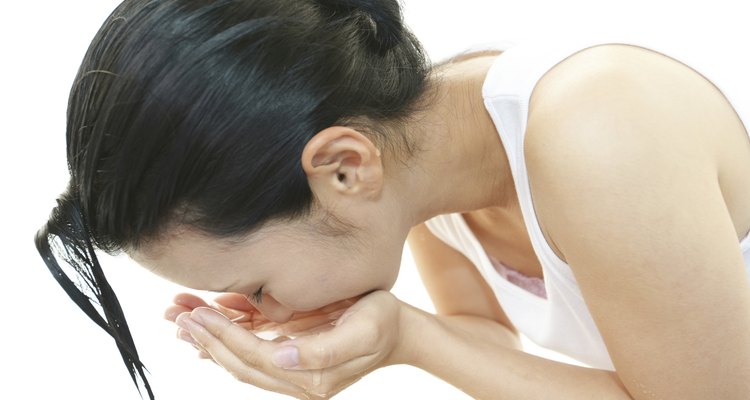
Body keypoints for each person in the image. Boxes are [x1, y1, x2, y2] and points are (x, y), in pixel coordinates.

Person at [34, 0, 750, 398]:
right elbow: (487, 335)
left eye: (252, 287)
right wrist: (393, 333)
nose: (264, 314)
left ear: (343, 169)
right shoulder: (422, 155)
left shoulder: (599, 127)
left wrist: (413, 337)